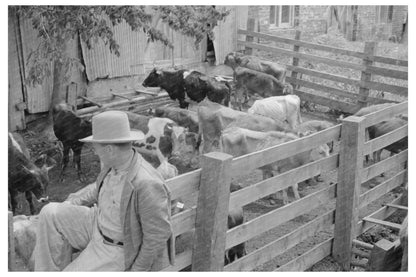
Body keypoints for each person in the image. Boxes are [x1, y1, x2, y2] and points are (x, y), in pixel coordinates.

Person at [33, 110, 174, 271]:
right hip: (97, 223)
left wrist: (136, 271)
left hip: (116, 246)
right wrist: (71, 202)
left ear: (109, 150)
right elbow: (98, 189)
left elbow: (157, 235)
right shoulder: (114, 165)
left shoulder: (146, 183)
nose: (93, 151)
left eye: (95, 147)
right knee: (49, 212)